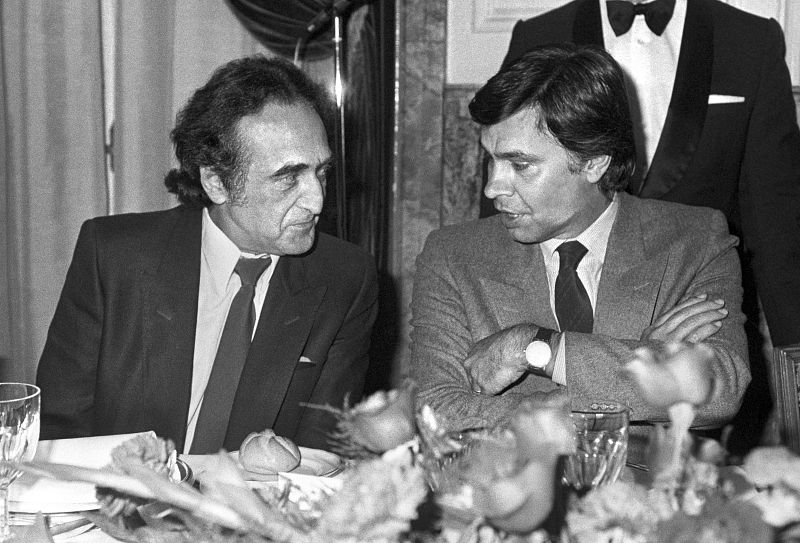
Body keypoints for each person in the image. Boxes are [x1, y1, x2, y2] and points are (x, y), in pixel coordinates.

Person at [410, 44, 750, 460]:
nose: (492, 187)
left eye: (520, 165)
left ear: (593, 163)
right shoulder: (452, 255)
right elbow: (435, 413)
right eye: (491, 161)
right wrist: (642, 367)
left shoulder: (694, 240)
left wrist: (535, 347)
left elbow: (719, 389)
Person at [498, 0, 800, 454]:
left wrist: (795, 366)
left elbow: (776, 220)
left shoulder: (749, 41)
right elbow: (506, 203)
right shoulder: (539, 35)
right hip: (558, 341)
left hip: (695, 341)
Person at [36, 55, 379, 454]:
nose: (317, 201)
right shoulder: (113, 258)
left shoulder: (345, 279)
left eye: (321, 171)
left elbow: (323, 453)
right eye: (289, 177)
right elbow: (58, 434)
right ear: (217, 182)